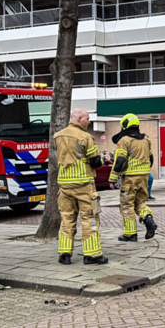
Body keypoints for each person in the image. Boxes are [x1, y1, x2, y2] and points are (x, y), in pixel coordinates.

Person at [54, 107, 106, 265]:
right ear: (78, 119)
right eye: (87, 119)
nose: (89, 122)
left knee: (67, 218)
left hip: (64, 185)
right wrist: (102, 159)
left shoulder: (57, 136)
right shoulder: (85, 137)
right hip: (83, 184)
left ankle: (64, 254)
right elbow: (95, 161)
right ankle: (92, 255)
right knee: (89, 218)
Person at [109, 113, 157, 242]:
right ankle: (148, 218)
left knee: (126, 204)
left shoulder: (124, 141)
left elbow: (119, 161)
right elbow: (151, 159)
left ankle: (130, 234)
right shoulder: (146, 140)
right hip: (144, 177)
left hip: (130, 178)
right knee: (140, 202)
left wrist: (112, 178)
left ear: (125, 125)